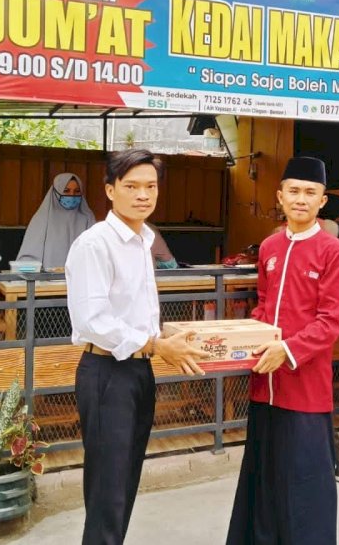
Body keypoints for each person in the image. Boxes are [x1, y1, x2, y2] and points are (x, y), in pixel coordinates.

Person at [66, 149, 208, 545]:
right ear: (110, 191)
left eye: (150, 186)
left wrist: (161, 342)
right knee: (107, 490)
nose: (143, 195)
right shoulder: (95, 244)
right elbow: (94, 320)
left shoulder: (143, 240)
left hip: (138, 370)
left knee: (126, 479)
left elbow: (136, 312)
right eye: (131, 186)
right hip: (107, 373)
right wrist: (156, 345)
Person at [226, 156, 339, 545]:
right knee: (264, 477)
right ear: (279, 196)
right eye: (293, 191)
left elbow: (331, 321)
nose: (301, 199)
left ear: (322, 200)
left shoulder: (334, 252)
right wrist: (242, 341)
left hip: (306, 389)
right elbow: (263, 307)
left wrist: (289, 350)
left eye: (310, 193)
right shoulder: (269, 247)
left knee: (304, 484)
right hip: (265, 385)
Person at [18, 173, 95, 269]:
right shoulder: (42, 219)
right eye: (66, 191)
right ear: (55, 192)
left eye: (77, 191)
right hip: (47, 281)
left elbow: (96, 256)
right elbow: (27, 259)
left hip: (80, 280)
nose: (72, 195)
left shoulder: (87, 219)